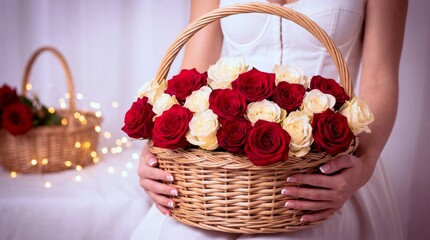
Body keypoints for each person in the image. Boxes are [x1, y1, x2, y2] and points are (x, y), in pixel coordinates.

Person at [132, 0, 408, 239]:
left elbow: (379, 79)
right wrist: (160, 148)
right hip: (221, 170)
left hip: (324, 164)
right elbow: (193, 73)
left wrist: (363, 164)